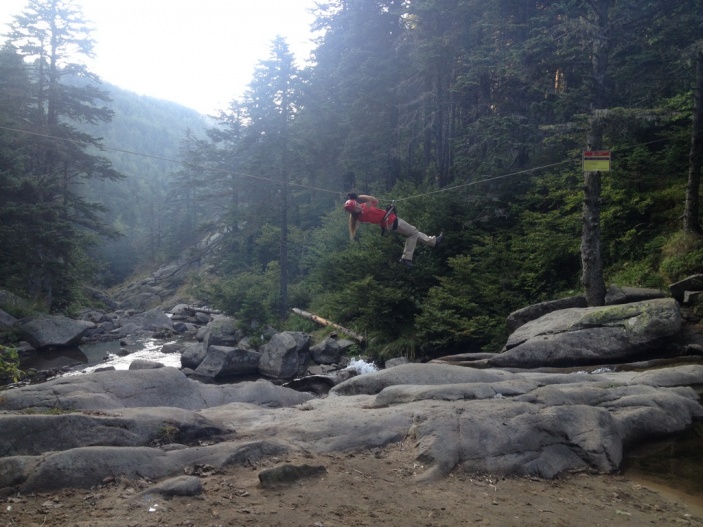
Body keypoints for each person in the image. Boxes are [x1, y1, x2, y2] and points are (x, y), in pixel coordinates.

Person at [343, 193, 443, 268]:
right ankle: (407, 258)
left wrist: (354, 199)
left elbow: (376, 201)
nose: (358, 206)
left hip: (389, 221)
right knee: (413, 233)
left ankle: (434, 242)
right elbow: (370, 199)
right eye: (356, 207)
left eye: (357, 204)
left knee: (413, 232)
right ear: (354, 212)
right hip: (391, 221)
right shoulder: (364, 211)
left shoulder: (360, 213)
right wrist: (357, 197)